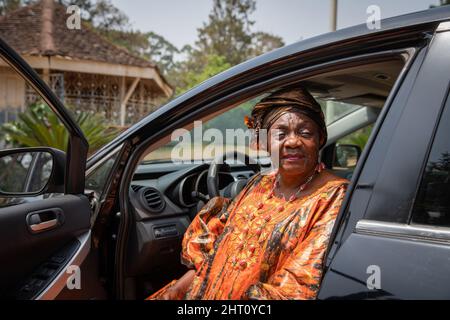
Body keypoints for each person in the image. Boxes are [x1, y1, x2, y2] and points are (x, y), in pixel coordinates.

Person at [147, 85, 349, 300]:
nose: (292, 142)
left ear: (319, 139)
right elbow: (213, 253)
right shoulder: (258, 184)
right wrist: (177, 291)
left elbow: (296, 286)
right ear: (265, 142)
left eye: (305, 133)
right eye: (280, 134)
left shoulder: (333, 196)